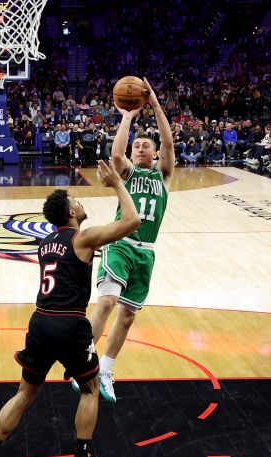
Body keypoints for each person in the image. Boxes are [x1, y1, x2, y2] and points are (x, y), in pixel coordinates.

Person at [0, 160, 140, 457]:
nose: (81, 201)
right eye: (76, 200)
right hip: (69, 324)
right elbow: (133, 221)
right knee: (90, 390)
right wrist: (118, 183)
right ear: (71, 214)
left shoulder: (45, 243)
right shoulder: (83, 239)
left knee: (24, 393)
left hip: (40, 323)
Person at [74, 78, 174, 403]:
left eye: (146, 146)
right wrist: (128, 116)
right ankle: (83, 361)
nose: (140, 148)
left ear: (155, 152)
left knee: (128, 316)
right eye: (137, 146)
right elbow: (116, 154)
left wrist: (156, 106)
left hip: (147, 253)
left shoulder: (163, 174)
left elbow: (170, 146)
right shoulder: (127, 173)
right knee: (106, 302)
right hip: (121, 245)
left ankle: (106, 368)